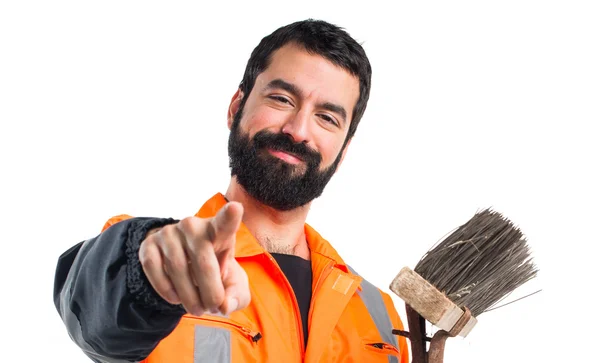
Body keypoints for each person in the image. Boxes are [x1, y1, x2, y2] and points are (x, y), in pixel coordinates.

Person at [53, 19, 409, 363]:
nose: (298, 130)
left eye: (327, 118)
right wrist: (148, 273)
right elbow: (95, 305)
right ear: (236, 107)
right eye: (282, 98)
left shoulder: (380, 315)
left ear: (343, 151)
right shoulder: (158, 253)